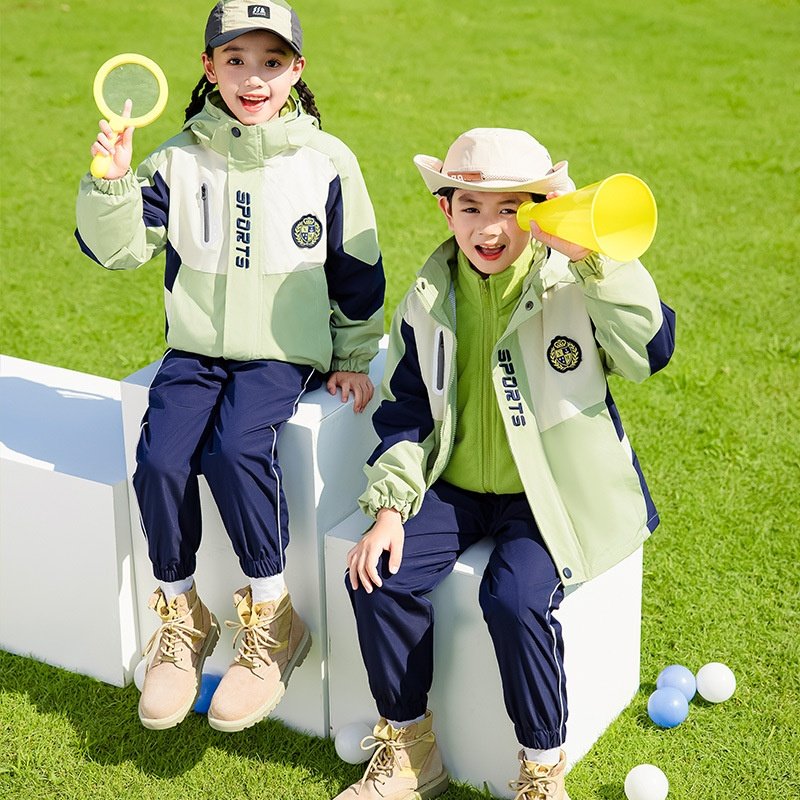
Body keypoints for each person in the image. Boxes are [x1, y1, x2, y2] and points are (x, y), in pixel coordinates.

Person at [335, 128, 675, 800]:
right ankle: (408, 748)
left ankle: (542, 770)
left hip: (548, 495)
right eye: (471, 208)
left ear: (542, 210)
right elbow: (407, 411)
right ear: (445, 209)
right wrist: (391, 508)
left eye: (512, 209)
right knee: (377, 576)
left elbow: (652, 350)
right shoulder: (429, 297)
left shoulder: (575, 284)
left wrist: (600, 261)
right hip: (456, 487)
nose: (490, 229)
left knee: (514, 598)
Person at [76, 0, 385, 733]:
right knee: (159, 456)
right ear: (209, 68)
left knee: (237, 447)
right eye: (236, 60)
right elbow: (116, 249)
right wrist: (113, 180)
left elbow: (358, 264)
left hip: (283, 354)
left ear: (296, 72)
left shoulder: (326, 161)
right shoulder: (179, 157)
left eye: (271, 62)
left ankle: (273, 617)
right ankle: (181, 615)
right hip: (195, 352)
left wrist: (351, 355)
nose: (254, 78)